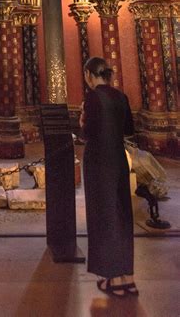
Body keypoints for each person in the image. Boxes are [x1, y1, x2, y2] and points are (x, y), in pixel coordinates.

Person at [80, 57, 138, 297]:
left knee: (104, 217)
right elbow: (129, 130)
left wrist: (82, 121)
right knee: (122, 214)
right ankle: (128, 278)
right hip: (118, 160)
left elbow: (88, 132)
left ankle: (113, 278)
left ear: (89, 74)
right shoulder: (120, 97)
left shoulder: (93, 98)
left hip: (99, 163)